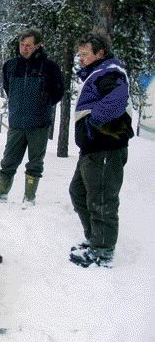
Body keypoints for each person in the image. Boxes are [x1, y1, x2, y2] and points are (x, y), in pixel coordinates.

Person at [69, 33, 134, 268]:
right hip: (93, 148)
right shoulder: (99, 72)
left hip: (105, 148)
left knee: (102, 199)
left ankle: (103, 252)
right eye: (80, 54)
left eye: (85, 54)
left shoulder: (111, 71)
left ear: (100, 54)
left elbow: (117, 99)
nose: (81, 59)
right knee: (78, 192)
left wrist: (92, 123)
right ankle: (95, 239)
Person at [0, 28, 64, 207]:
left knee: (35, 162)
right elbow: (7, 88)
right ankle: (1, 192)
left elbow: (58, 92)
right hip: (17, 122)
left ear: (38, 46)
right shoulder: (10, 65)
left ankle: (29, 197)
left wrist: (42, 104)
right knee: (8, 160)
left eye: (29, 46)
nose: (24, 49)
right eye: (22, 45)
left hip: (39, 124)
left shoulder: (49, 67)